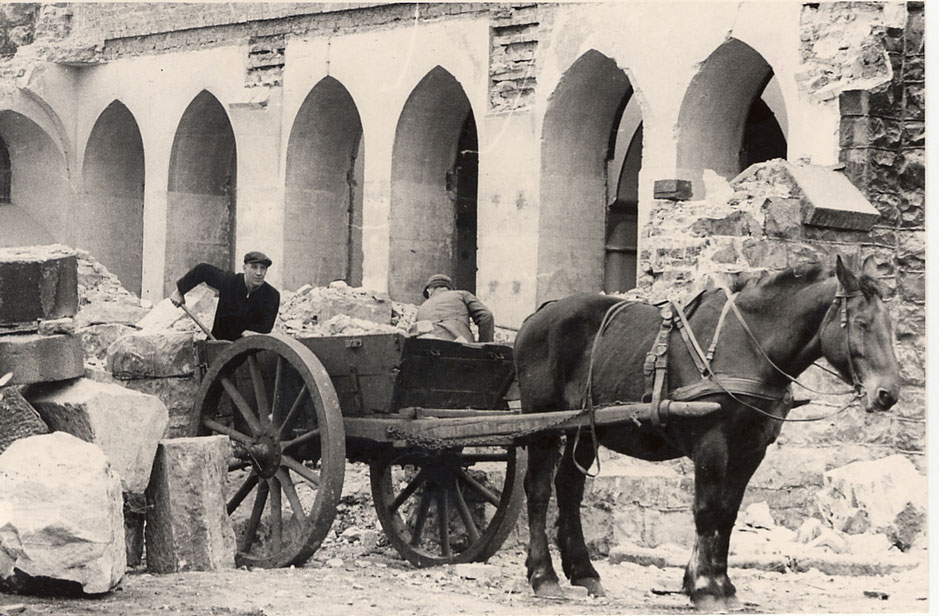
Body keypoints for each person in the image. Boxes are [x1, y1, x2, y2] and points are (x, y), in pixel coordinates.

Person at [170, 251, 280, 341]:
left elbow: (265, 328)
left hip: (249, 351)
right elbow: (202, 270)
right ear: (245, 268)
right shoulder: (229, 281)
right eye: (254, 267)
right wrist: (180, 291)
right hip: (218, 346)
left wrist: (253, 334)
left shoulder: (272, 296)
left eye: (263, 268)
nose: (259, 273)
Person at [411, 274, 494, 343]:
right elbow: (486, 316)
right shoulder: (461, 294)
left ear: (429, 291)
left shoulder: (421, 309)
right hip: (462, 351)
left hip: (429, 354)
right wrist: (485, 347)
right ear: (449, 288)